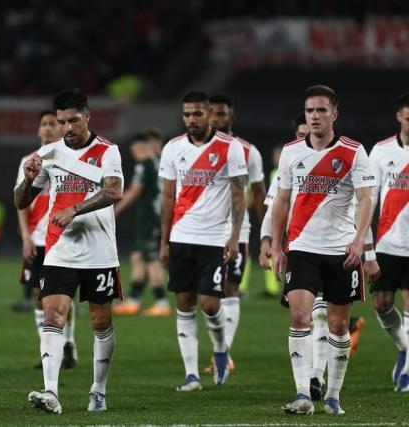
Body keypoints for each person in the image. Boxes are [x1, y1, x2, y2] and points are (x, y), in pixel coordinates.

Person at [15, 89, 123, 414]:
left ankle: (99, 390)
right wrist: (28, 178)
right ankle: (52, 392)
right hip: (60, 250)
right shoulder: (48, 154)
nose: (67, 128)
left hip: (100, 252)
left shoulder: (108, 151)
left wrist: (75, 209)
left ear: (87, 117)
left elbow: (114, 191)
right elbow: (21, 202)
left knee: (100, 321)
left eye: (73, 120)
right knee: (52, 316)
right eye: (62, 121)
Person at [271, 85, 375, 415]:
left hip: (341, 249)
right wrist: (276, 245)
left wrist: (360, 240)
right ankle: (303, 394)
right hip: (302, 246)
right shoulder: (290, 152)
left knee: (339, 326)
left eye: (320, 110)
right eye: (309, 111)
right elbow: (282, 200)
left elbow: (365, 199)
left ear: (334, 114)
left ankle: (333, 395)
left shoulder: (353, 151)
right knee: (300, 316)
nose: (314, 116)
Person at [159, 91, 247, 391]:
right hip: (182, 237)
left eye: (197, 114)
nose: (191, 120)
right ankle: (192, 375)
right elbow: (168, 196)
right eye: (187, 115)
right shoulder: (172, 148)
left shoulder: (230, 147)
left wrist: (234, 237)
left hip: (214, 239)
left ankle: (221, 349)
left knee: (210, 304)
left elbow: (239, 194)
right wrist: (164, 240)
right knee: (184, 304)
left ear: (210, 114)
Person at [204, 94, 266, 374]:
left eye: (222, 114)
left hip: (236, 233)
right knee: (205, 296)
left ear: (232, 117)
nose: (217, 119)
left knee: (229, 288)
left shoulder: (247, 151)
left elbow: (258, 192)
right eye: (213, 114)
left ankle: (223, 354)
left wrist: (268, 235)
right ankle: (219, 350)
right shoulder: (193, 148)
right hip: (201, 233)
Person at [14, 110, 77, 369]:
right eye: (45, 124)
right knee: (39, 295)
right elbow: (21, 204)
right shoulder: (28, 161)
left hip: (61, 238)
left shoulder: (70, 158)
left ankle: (68, 343)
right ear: (39, 130)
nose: (49, 128)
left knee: (62, 297)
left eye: (54, 123)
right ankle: (49, 352)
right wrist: (26, 238)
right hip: (37, 239)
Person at [368, 93, 409, 392]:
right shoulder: (381, 152)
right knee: (382, 305)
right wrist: (365, 243)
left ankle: (407, 372)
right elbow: (368, 198)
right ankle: (404, 347)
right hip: (386, 244)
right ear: (399, 117)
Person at [113, 132, 169, 317]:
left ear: (139, 148)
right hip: (155, 217)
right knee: (138, 257)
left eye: (134, 151)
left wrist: (116, 209)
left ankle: (162, 303)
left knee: (152, 261)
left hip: (150, 218)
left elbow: (135, 191)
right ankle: (134, 301)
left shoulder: (144, 165)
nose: (134, 155)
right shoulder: (159, 162)